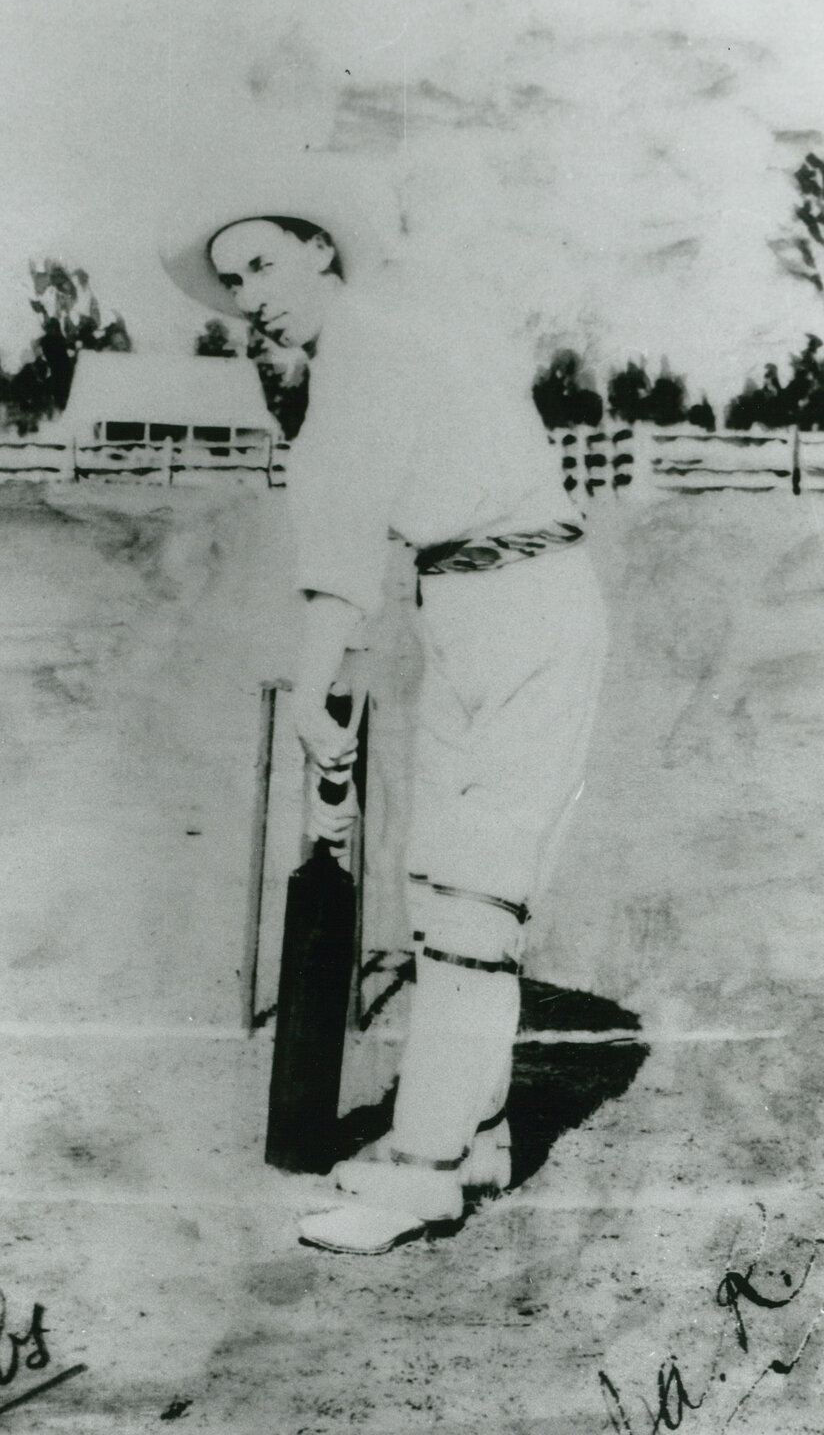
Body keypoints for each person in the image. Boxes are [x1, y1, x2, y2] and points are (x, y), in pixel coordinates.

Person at [159, 152, 608, 1254]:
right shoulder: (363, 351)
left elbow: (341, 541)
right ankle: (481, 1132)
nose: (249, 293)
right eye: (233, 283)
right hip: (466, 602)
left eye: (262, 263)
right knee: (450, 884)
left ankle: (422, 1167)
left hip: (522, 606)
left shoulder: (367, 354)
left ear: (320, 247)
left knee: (467, 893)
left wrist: (316, 677)